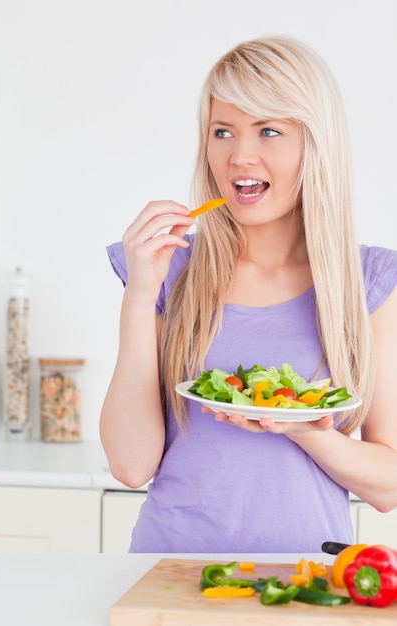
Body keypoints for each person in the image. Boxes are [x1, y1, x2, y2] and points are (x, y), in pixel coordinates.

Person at [100, 35, 397, 553]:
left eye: (269, 131)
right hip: (170, 572)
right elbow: (129, 465)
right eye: (223, 131)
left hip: (306, 582)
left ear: (314, 144)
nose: (240, 155)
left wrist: (301, 428)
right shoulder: (171, 270)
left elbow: (389, 485)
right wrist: (140, 296)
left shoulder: (368, 281)